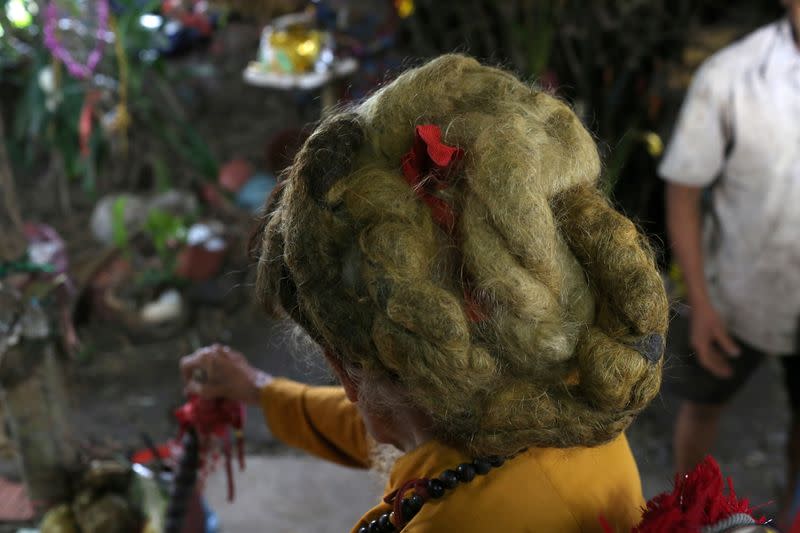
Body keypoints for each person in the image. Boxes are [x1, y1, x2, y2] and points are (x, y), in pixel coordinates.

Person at [181, 54, 669, 532]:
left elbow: (392, 414)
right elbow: (398, 422)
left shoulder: (448, 519)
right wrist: (256, 390)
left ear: (346, 375)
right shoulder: (566, 393)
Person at [661, 0, 800, 503]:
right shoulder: (730, 76)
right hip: (736, 289)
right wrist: (699, 303)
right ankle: (682, 513)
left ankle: (791, 511)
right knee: (702, 406)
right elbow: (683, 191)